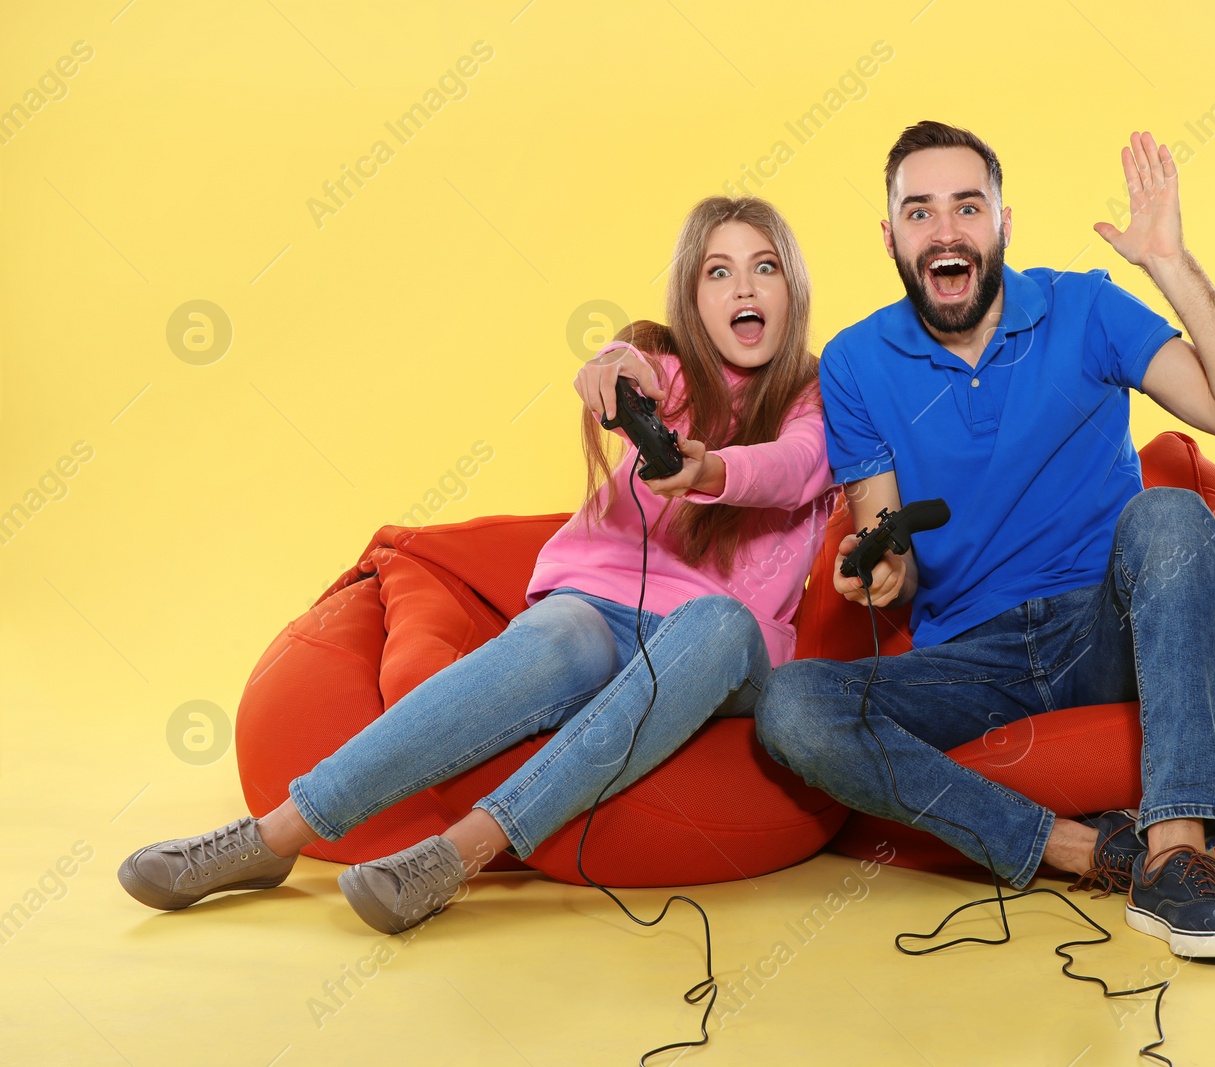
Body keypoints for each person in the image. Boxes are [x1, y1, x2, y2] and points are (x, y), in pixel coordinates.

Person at [119, 196, 836, 934]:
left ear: (793, 291)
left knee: (714, 621)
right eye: (720, 272)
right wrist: (612, 366)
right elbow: (627, 362)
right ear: (693, 298)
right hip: (602, 605)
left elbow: (796, 464)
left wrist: (710, 470)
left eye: (765, 267)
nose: (744, 288)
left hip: (725, 651)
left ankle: (459, 853)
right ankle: (275, 835)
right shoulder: (672, 373)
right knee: (557, 634)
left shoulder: (822, 394)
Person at [753, 121, 1215, 959]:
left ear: (1003, 223)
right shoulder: (856, 361)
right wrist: (880, 568)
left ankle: (1179, 855)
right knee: (791, 705)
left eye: (967, 207)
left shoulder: (1085, 308)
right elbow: (883, 534)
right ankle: (1088, 850)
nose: (945, 231)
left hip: (1099, 629)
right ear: (891, 235)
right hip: (970, 661)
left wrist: (1171, 267)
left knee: (1174, 513)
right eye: (920, 211)